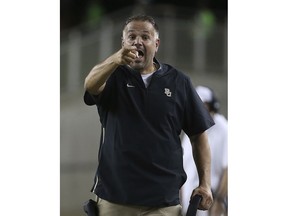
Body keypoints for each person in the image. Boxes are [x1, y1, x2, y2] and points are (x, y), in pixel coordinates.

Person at [83, 14, 215, 216]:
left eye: (145, 37)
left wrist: (205, 184)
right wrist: (114, 60)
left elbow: (199, 135)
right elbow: (90, 84)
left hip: (163, 203)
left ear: (156, 43)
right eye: (131, 36)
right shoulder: (112, 76)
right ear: (123, 42)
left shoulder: (179, 82)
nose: (137, 42)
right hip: (115, 200)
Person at [180, 86, 228, 216]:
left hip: (209, 200)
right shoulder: (191, 126)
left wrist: (218, 200)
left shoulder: (223, 128)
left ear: (213, 106)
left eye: (203, 105)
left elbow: (227, 168)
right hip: (188, 199)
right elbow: (184, 164)